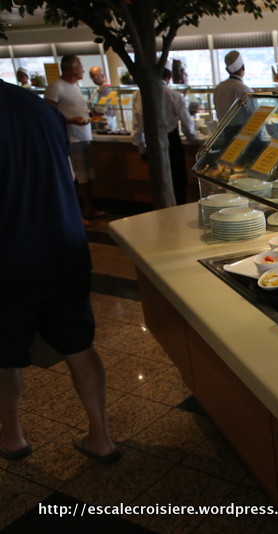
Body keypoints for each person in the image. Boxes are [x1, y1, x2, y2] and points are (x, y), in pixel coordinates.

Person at [0, 80, 120, 464]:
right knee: (78, 344)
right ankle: (101, 438)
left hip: (8, 255)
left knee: (4, 356)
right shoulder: (40, 108)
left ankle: (13, 437)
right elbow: (67, 176)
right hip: (63, 246)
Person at [44, 54, 102, 222]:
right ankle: (77, 214)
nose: (83, 70)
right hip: (71, 139)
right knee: (78, 177)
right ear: (73, 69)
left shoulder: (75, 87)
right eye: (81, 67)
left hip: (84, 137)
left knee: (87, 176)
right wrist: (71, 121)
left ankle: (89, 210)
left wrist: (91, 115)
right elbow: (49, 114)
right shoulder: (56, 87)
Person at [131, 68, 198, 205]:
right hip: (171, 141)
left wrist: (141, 148)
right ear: (168, 77)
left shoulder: (138, 95)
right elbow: (186, 122)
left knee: (158, 181)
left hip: (150, 141)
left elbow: (137, 125)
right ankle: (178, 210)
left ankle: (161, 211)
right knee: (178, 180)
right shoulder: (173, 94)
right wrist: (193, 139)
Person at [213, 50, 253, 120]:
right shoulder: (246, 90)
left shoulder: (219, 88)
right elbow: (253, 115)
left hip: (222, 127)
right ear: (243, 68)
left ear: (227, 70)